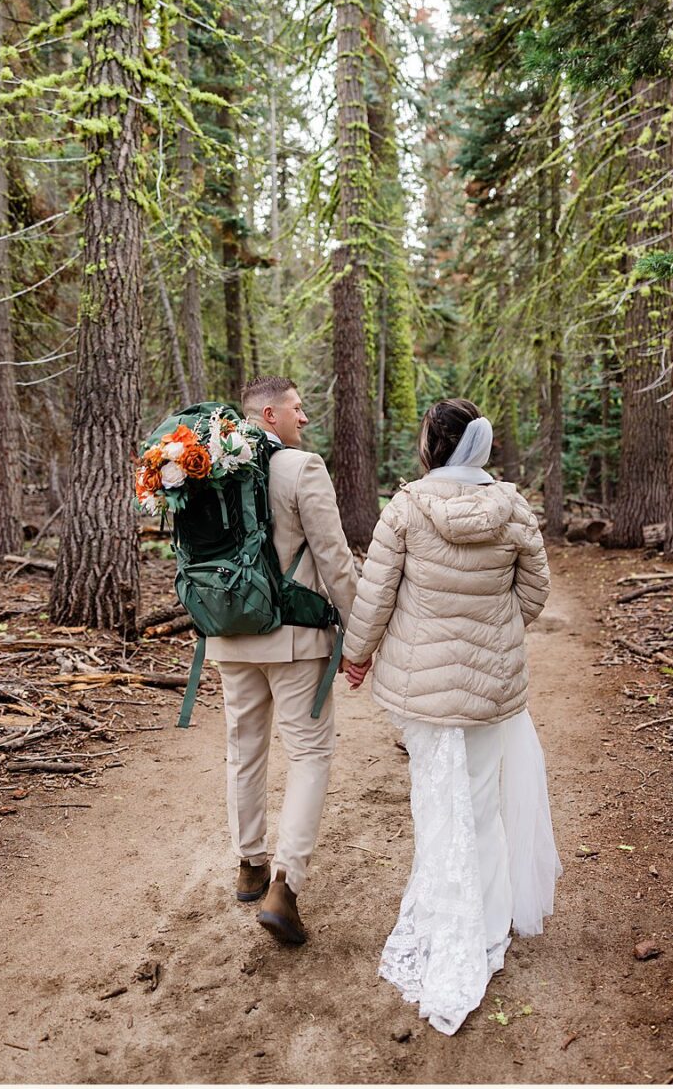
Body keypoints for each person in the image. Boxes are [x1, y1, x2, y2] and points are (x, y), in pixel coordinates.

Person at [341, 397, 560, 1036]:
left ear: (434, 447)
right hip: (491, 691)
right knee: (482, 807)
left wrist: (358, 656)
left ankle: (444, 923)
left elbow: (377, 592)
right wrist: (496, 635)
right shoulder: (513, 507)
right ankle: (488, 929)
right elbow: (536, 589)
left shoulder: (406, 507)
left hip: (424, 692)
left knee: (437, 807)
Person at [205, 376, 361, 945]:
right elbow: (335, 560)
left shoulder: (210, 468)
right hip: (295, 638)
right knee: (311, 753)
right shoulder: (301, 468)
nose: (304, 419)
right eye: (297, 409)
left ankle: (249, 864)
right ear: (268, 414)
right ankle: (284, 889)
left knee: (243, 750)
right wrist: (360, 631)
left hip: (227, 635)